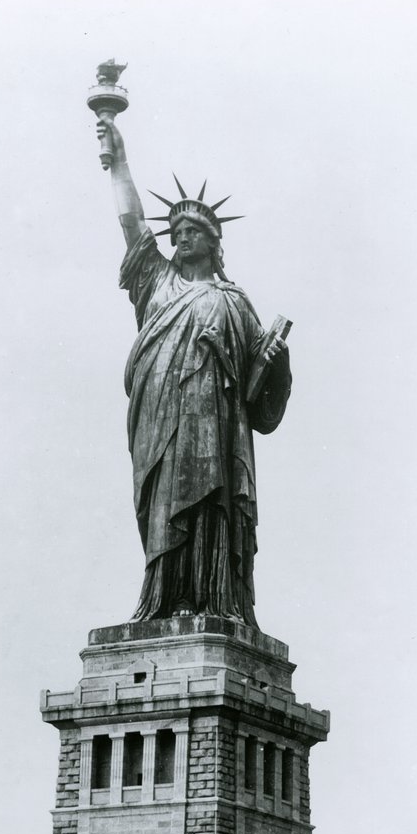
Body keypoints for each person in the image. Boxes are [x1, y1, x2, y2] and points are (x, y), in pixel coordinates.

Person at [97, 115, 292, 626]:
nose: (182, 238)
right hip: (161, 424)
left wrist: (277, 361)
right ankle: (165, 598)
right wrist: (118, 159)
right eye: (177, 232)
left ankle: (211, 598)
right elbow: (131, 223)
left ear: (213, 241)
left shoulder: (234, 302)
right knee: (165, 506)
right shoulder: (157, 283)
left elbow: (260, 396)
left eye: (193, 232)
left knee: (210, 507)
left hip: (216, 433)